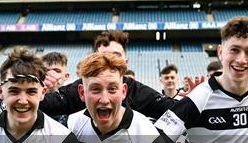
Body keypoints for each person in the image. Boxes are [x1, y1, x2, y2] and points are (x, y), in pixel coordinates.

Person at [39, 30, 176, 120]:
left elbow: (174, 110)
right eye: (103, 56)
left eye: (115, 56)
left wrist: (195, 99)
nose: (108, 61)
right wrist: (39, 88)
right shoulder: (80, 87)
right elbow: (41, 106)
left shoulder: (137, 91)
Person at [42, 52, 71, 126]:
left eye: (57, 71)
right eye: (46, 71)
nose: (50, 74)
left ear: (66, 76)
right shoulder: (33, 100)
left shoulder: (73, 100)